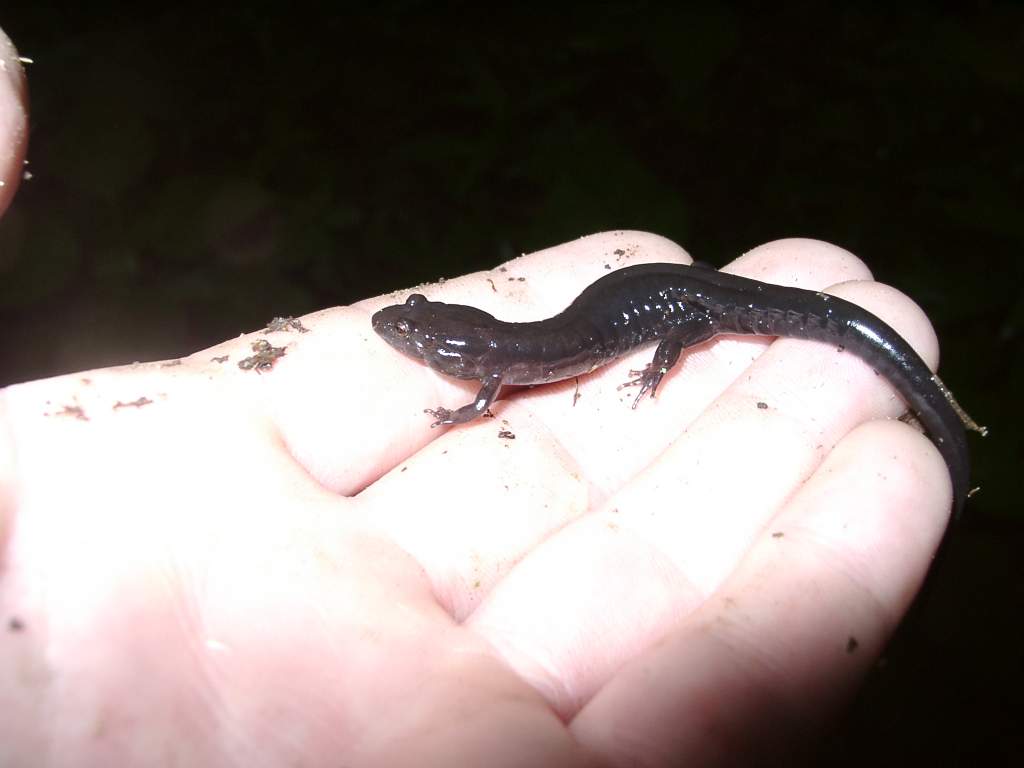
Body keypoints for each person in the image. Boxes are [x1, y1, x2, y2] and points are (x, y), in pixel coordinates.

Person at [0, 26, 955, 768]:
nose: (407, 334)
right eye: (415, 328)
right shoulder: (491, 362)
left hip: (694, 304)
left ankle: (927, 421)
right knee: (757, 308)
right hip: (671, 294)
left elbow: (493, 392)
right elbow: (476, 387)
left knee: (785, 315)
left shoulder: (492, 369)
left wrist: (664, 357)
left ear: (458, 345)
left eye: (418, 330)